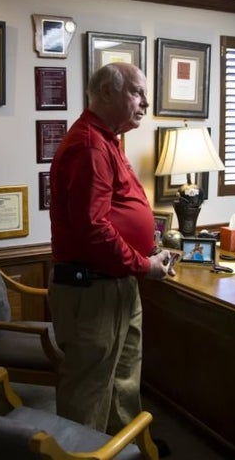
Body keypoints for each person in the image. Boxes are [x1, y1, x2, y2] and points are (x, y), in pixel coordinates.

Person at [48, 62, 173, 437]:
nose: (146, 103)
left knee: (123, 380)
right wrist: (144, 265)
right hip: (94, 289)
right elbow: (93, 229)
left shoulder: (107, 141)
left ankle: (121, 446)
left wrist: (145, 254)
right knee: (89, 388)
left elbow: (116, 213)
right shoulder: (90, 145)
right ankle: (79, 450)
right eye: (137, 92)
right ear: (105, 92)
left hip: (116, 282)